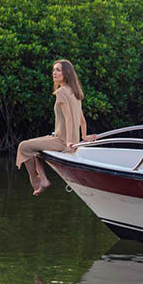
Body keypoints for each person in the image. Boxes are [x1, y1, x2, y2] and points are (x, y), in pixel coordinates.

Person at [16, 59, 97, 196]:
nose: (54, 73)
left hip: (62, 140)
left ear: (66, 73)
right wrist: (83, 137)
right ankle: (44, 179)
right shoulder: (75, 92)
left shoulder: (61, 92)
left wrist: (68, 143)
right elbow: (82, 120)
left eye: (58, 70)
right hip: (68, 139)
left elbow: (69, 118)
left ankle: (35, 180)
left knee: (23, 146)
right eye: (54, 70)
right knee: (35, 145)